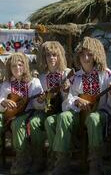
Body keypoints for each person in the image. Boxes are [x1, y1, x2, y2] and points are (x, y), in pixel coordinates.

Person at [51, 36, 111, 175]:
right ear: (78, 56)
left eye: (90, 54)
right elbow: (67, 102)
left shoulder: (106, 74)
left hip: (101, 113)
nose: (86, 58)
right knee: (63, 117)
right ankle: (61, 164)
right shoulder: (75, 76)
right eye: (82, 54)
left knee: (93, 118)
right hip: (78, 114)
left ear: (96, 56)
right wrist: (76, 100)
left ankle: (95, 165)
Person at [0, 52, 45, 174]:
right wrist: (3, 102)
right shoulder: (6, 83)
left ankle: (22, 159)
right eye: (14, 66)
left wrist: (40, 100)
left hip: (28, 113)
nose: (17, 68)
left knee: (18, 123)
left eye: (20, 65)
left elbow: (39, 106)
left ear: (25, 66)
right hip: (9, 114)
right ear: (9, 68)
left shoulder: (34, 82)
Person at [38, 41, 71, 171]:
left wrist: (67, 91)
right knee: (48, 120)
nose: (51, 58)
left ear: (60, 56)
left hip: (64, 110)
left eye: (55, 55)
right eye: (48, 55)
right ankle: (52, 157)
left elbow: (73, 98)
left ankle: (58, 158)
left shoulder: (68, 74)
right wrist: (41, 100)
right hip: (48, 111)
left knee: (52, 121)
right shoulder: (41, 77)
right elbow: (37, 101)